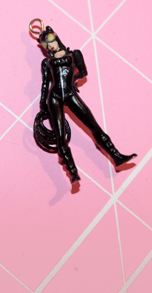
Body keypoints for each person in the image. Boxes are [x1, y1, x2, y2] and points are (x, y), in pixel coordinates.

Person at [32, 22, 136, 184]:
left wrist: (73, 80)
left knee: (94, 127)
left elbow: (83, 72)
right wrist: (42, 106)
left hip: (70, 94)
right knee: (60, 137)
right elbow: (45, 85)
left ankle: (116, 157)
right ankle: (72, 173)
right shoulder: (46, 62)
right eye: (45, 44)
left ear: (56, 37)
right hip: (54, 97)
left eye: (50, 40)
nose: (49, 45)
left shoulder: (74, 54)